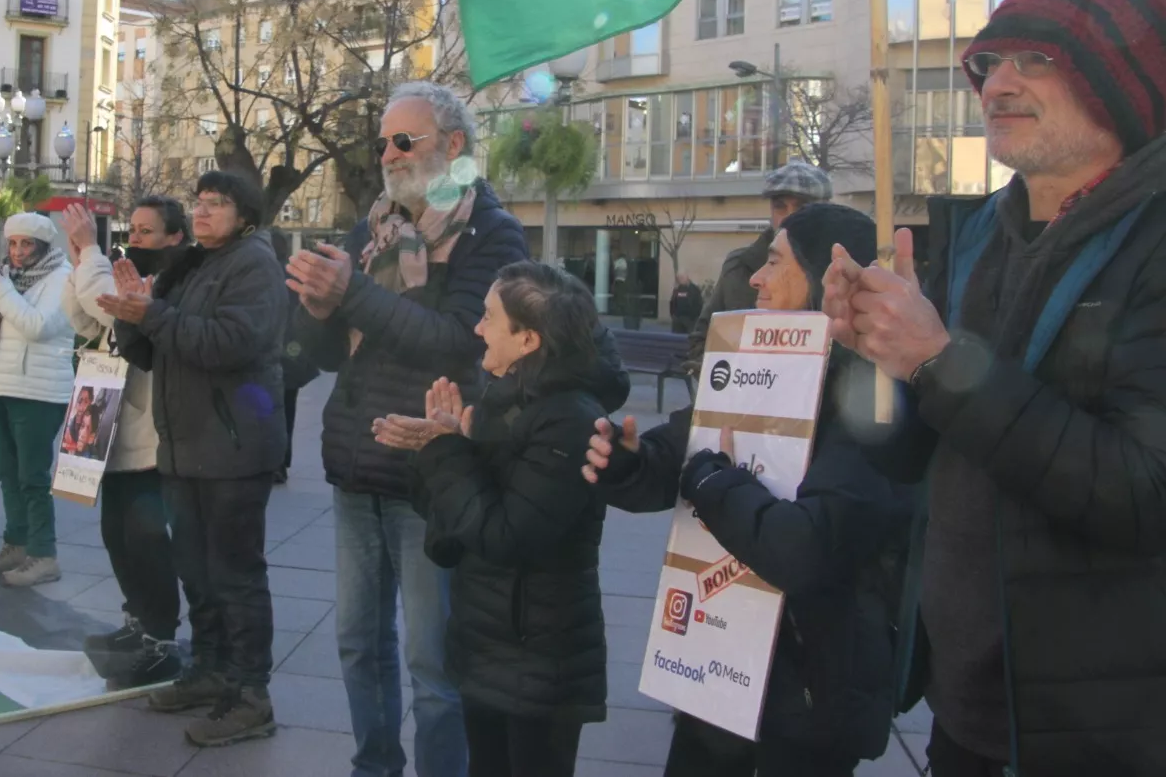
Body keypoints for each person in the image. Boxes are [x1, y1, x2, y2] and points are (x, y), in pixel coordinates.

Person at [820, 0, 1166, 777]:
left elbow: (1142, 491)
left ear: (1125, 80)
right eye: (988, 63)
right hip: (967, 708)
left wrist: (938, 362)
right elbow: (903, 450)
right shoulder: (977, 235)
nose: (997, 83)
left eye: (1036, 58)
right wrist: (867, 353)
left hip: (1101, 728)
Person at [586, 204, 911, 777]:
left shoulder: (874, 397)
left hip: (808, 695)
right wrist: (627, 461)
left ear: (828, 275)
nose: (756, 278)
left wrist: (715, 481)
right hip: (715, 676)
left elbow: (803, 547)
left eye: (775, 262)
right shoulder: (751, 363)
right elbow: (681, 453)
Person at [286, 81, 527, 777]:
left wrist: (352, 294)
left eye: (403, 140)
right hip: (358, 463)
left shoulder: (490, 232)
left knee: (431, 662)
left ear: (453, 148)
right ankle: (375, 768)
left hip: (433, 474)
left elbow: (460, 342)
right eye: (383, 141)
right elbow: (330, 352)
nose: (387, 155)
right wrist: (314, 304)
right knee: (358, 643)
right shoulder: (376, 227)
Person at [374, 262, 629, 777]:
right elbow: (451, 532)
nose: (477, 328)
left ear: (529, 338)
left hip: (538, 661)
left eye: (489, 317)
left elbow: (505, 534)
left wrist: (447, 452)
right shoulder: (505, 395)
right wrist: (439, 449)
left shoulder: (570, 417)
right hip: (487, 645)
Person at [105, 171, 288, 747]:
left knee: (236, 574)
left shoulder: (253, 263)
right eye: (200, 203)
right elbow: (153, 350)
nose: (204, 212)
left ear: (246, 214)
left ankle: (250, 693)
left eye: (218, 204)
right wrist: (133, 309)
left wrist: (151, 315)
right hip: (185, 446)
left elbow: (228, 343)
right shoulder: (190, 264)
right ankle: (210, 671)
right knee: (197, 571)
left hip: (232, 447)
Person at [63, 197, 191, 689]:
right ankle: (137, 621)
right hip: (102, 410)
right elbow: (83, 317)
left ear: (174, 238)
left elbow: (106, 302)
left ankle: (161, 639)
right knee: (114, 532)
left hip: (144, 424)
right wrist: (82, 261)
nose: (135, 239)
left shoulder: (172, 277)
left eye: (147, 231)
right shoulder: (118, 269)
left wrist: (89, 254)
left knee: (146, 537)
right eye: (132, 230)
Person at [0, 212, 74, 587]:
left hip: (39, 390)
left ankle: (44, 554)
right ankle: (16, 543)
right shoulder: (9, 279)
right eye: (13, 243)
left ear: (43, 246)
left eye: (26, 244)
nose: (17, 251)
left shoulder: (63, 277)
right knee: (7, 473)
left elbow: (37, 327)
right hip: (0, 383)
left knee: (33, 477)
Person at [684, 161, 831, 368]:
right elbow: (701, 341)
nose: (789, 217)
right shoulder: (739, 267)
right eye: (780, 206)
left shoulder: (839, 273)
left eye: (801, 208)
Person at [267, 232, 319, 485]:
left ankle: (271, 462)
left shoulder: (261, 276)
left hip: (270, 356)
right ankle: (281, 463)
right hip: (294, 357)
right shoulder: (293, 276)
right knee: (287, 410)